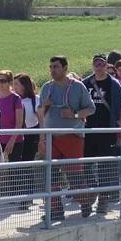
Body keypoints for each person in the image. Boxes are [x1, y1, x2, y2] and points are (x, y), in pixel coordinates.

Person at [38, 56, 96, 222]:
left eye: (55, 66)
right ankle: (55, 210)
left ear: (64, 68)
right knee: (50, 175)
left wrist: (75, 115)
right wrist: (42, 138)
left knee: (74, 175)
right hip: (51, 138)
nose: (52, 70)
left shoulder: (78, 87)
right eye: (50, 67)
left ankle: (85, 202)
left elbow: (91, 109)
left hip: (72, 136)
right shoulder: (46, 88)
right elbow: (41, 113)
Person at [82, 54, 121, 215]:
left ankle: (103, 199)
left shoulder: (115, 85)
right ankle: (89, 195)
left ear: (106, 65)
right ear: (92, 65)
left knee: (105, 167)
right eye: (96, 64)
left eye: (102, 64)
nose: (99, 66)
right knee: (86, 166)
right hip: (87, 132)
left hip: (107, 132)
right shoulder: (85, 83)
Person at [0, 70, 24, 211]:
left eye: (3, 81)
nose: (0, 84)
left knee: (15, 168)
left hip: (15, 139)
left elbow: (19, 123)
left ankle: (20, 198)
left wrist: (12, 141)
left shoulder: (15, 99)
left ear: (10, 82)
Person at [13, 73, 39, 209]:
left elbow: (40, 119)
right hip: (18, 135)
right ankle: (20, 194)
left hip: (31, 136)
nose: (14, 86)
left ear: (24, 85)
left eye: (16, 84)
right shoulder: (15, 100)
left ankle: (28, 196)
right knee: (18, 165)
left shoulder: (36, 100)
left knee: (27, 165)